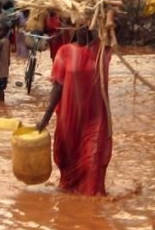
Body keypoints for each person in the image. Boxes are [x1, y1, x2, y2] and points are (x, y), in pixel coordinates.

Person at [36, 26, 112, 196]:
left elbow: (115, 29)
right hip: (70, 120)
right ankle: (72, 210)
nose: (86, 30)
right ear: (74, 30)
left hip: (95, 118)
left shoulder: (101, 50)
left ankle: (92, 213)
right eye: (81, 26)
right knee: (69, 170)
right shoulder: (65, 52)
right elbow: (57, 87)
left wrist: (107, 16)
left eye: (89, 26)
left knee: (92, 162)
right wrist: (45, 118)